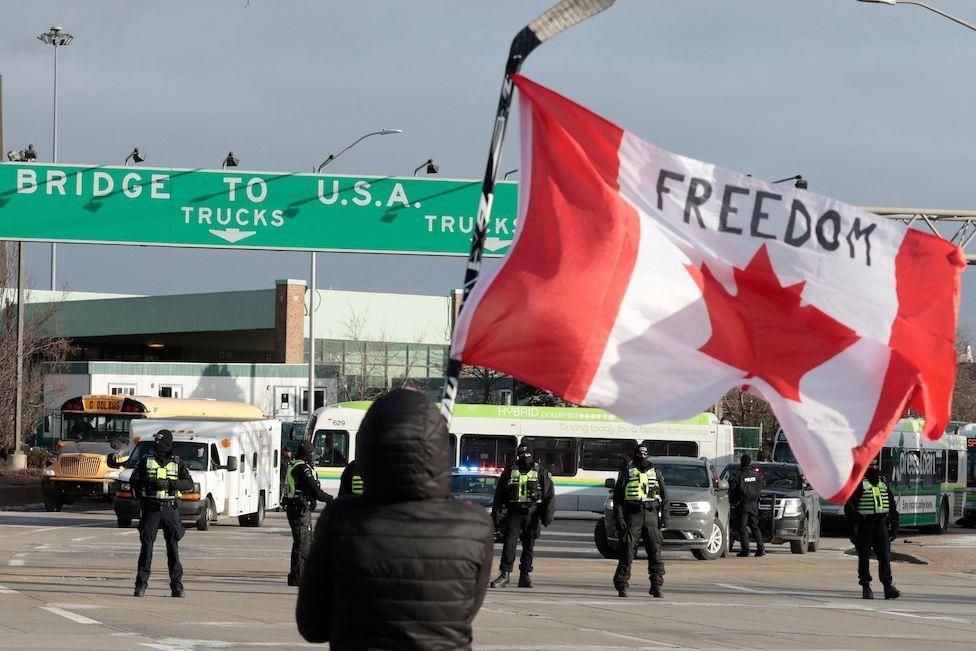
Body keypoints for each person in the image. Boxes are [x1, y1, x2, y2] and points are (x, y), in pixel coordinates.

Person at [297, 389, 493, 649]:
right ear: (439, 450)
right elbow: (465, 612)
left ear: (367, 447)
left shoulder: (340, 520)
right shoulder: (474, 526)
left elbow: (313, 626)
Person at [130, 429, 194, 597]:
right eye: (156, 442)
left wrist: (170, 484)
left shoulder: (178, 462)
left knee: (173, 547)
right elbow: (134, 479)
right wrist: (151, 482)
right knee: (147, 547)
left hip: (169, 508)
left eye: (161, 442)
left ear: (168, 443)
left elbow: (189, 484)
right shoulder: (146, 461)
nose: (158, 445)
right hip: (151, 508)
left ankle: (176, 585)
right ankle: (141, 584)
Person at [490, 444, 555, 589]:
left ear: (532, 455)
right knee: (509, 545)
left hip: (532, 514)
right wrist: (497, 516)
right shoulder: (509, 470)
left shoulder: (541, 472)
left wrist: (546, 516)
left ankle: (525, 575)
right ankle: (505, 574)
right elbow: (499, 495)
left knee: (529, 546)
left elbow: (549, 495)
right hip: (514, 513)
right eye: (521, 454)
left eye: (527, 454)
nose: (524, 457)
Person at [612, 444, 669, 598]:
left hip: (651, 515)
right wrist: (619, 518)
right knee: (627, 551)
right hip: (632, 515)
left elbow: (665, 497)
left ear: (648, 454)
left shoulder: (655, 472)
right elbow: (617, 498)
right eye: (639, 453)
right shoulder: (626, 472)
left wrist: (665, 517)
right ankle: (622, 584)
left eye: (645, 453)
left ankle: (656, 585)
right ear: (635, 454)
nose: (642, 456)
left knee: (655, 552)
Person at [845, 462, 900, 600]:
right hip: (865, 525)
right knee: (864, 557)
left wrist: (894, 527)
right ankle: (866, 586)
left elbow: (892, 507)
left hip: (881, 525)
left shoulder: (882, 483)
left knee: (885, 557)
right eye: (871, 467)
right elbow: (850, 507)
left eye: (876, 467)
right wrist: (853, 528)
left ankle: (888, 587)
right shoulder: (859, 483)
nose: (874, 469)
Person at [284, 440, 333, 587]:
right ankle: (298, 577)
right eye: (312, 454)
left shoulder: (295, 464)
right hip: (299, 510)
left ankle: (298, 575)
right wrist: (330, 499)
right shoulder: (301, 468)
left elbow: (307, 490)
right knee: (302, 544)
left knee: (303, 542)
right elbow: (314, 490)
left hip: (296, 507)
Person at [729, 454, 766, 557]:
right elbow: (763, 484)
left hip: (743, 504)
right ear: (750, 463)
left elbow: (732, 488)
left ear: (742, 462)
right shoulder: (756, 475)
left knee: (742, 527)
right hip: (754, 504)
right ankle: (761, 549)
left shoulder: (738, 475)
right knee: (754, 526)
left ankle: (745, 550)